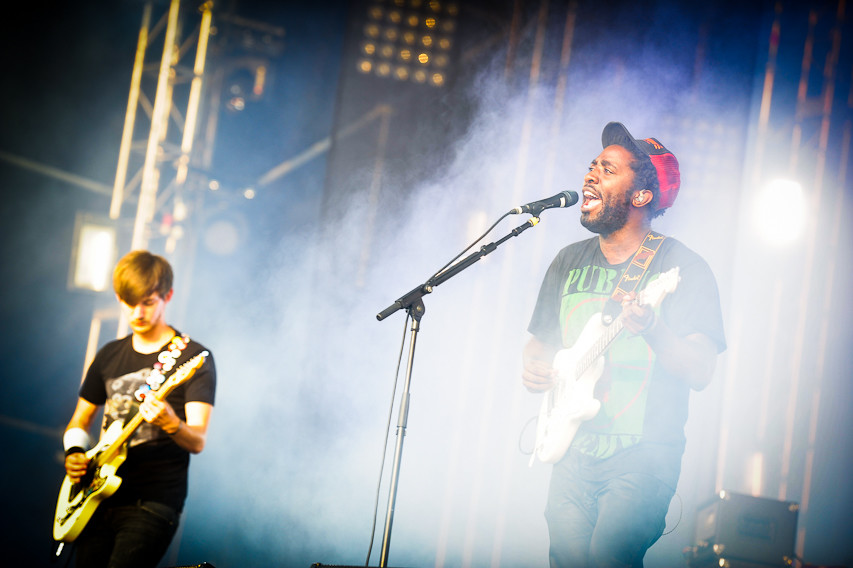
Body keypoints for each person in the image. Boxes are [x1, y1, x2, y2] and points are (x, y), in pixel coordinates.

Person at [522, 122, 726, 567]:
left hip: (643, 459)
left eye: (608, 169)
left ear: (641, 196)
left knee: (607, 559)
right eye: (592, 165)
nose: (591, 174)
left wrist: (653, 329)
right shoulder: (567, 261)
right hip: (571, 456)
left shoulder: (682, 267)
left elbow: (702, 371)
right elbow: (539, 345)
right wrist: (535, 368)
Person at [62, 250, 216, 568]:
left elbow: (198, 441)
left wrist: (172, 423)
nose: (137, 312)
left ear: (167, 296)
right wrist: (75, 452)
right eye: (129, 302)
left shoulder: (193, 358)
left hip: (153, 501)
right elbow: (80, 419)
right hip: (96, 497)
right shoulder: (108, 355)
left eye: (148, 302)